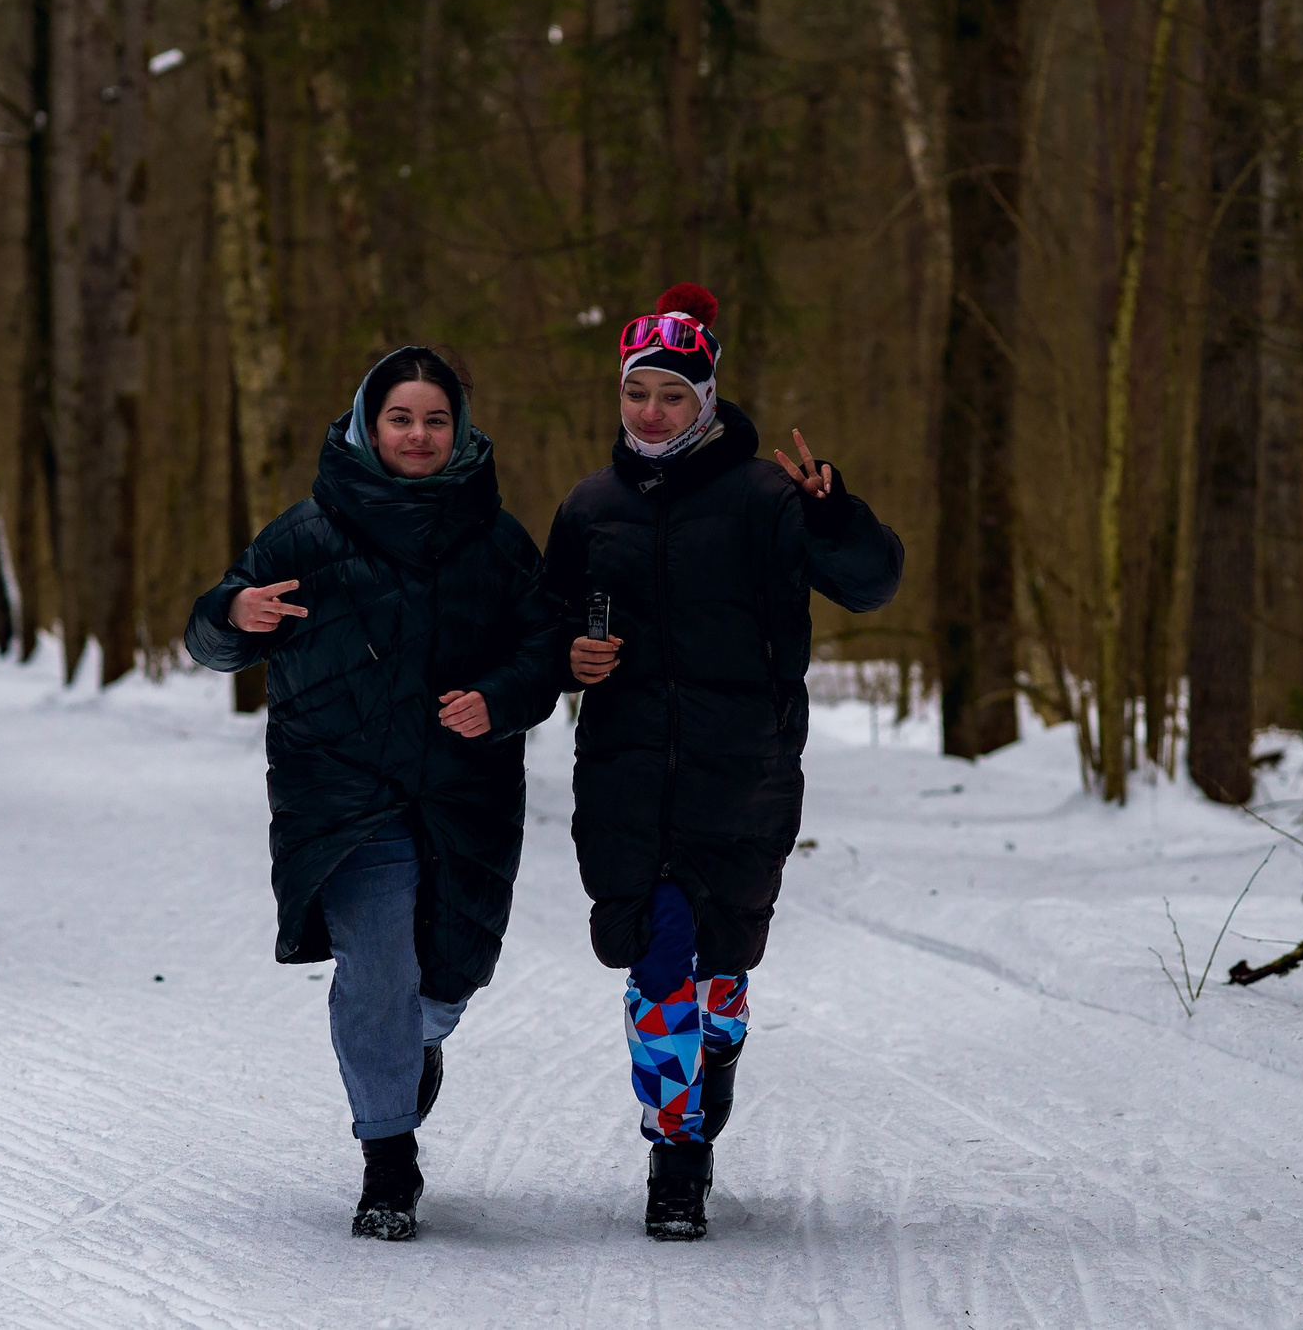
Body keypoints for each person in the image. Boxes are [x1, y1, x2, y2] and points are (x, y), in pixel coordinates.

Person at [541, 284, 905, 1239]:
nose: (652, 412)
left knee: (720, 974)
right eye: (637, 394)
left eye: (672, 393)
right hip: (625, 776)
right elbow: (544, 626)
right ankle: (676, 1156)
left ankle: (717, 1057)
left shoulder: (769, 497)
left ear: (706, 397)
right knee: (659, 960)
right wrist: (565, 656)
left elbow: (871, 583)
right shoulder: (588, 506)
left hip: (742, 775)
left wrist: (833, 514)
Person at [185, 347, 559, 1242]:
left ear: (458, 428)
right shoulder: (304, 535)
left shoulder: (501, 542)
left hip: (464, 792)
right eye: (401, 419)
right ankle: (388, 1157)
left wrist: (500, 699)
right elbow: (213, 631)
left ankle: (416, 1040)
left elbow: (542, 655)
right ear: (368, 424)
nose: (418, 435)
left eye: (435, 420)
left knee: (448, 975)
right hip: (343, 793)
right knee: (376, 963)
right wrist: (233, 617)